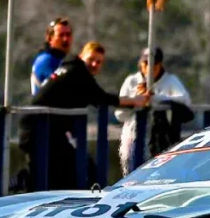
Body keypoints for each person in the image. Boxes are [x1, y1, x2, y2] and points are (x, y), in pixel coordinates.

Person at [19, 42, 147, 190]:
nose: (94, 64)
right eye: (91, 59)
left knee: (69, 169)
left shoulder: (70, 68)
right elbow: (102, 98)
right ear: (81, 56)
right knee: (63, 173)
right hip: (38, 129)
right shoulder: (77, 72)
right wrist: (135, 101)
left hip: (44, 129)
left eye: (98, 62)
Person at [116, 47, 194, 175]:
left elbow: (185, 101)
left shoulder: (171, 80)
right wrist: (136, 101)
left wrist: (156, 98)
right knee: (132, 172)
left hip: (161, 137)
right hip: (134, 135)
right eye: (146, 64)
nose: (150, 69)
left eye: (155, 64)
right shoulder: (132, 81)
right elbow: (119, 114)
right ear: (140, 64)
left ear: (160, 64)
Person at [30, 17, 73, 96]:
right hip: (46, 108)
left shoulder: (59, 59)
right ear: (50, 39)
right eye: (61, 35)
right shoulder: (47, 60)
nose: (65, 39)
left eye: (68, 34)